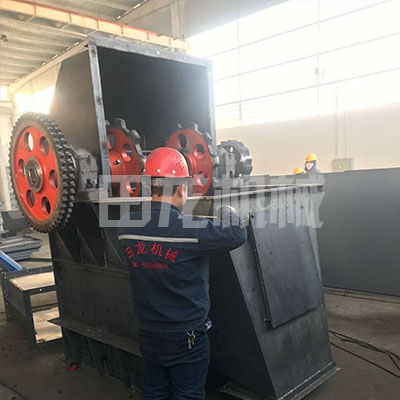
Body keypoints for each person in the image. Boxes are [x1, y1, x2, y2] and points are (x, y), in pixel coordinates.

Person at [117, 147, 246, 400]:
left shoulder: (125, 227)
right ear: (180, 189)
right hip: (186, 336)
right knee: (187, 394)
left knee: (154, 392)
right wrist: (226, 210)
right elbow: (236, 233)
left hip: (149, 331)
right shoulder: (188, 229)